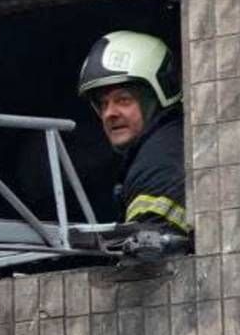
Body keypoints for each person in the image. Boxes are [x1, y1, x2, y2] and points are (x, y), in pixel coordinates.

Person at [76, 30, 190, 258]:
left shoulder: (158, 160)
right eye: (103, 104)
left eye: (123, 100)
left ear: (158, 95)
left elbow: (148, 261)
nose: (110, 113)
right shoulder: (164, 145)